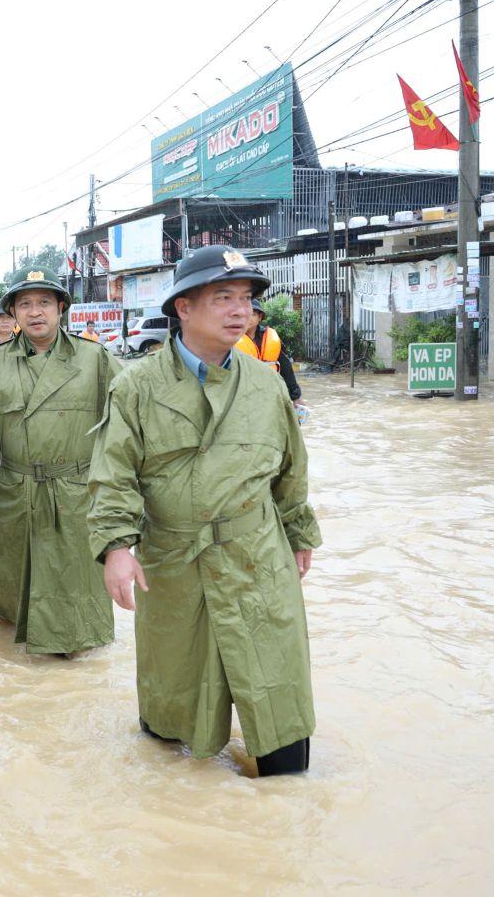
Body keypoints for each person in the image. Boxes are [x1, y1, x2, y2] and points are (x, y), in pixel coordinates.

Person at [88, 245, 320, 777]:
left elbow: (290, 469)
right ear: (183, 308)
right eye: (223, 298)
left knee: (282, 727)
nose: (240, 310)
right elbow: (113, 475)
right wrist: (117, 549)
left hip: (258, 557)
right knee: (172, 735)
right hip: (174, 562)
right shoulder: (136, 387)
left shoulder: (266, 383)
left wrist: (299, 532)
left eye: (245, 299)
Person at [0, 271, 119, 656]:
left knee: (74, 609)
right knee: (10, 602)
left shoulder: (94, 359)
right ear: (12, 313)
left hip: (74, 494)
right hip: (15, 492)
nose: (35, 312)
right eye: (25, 304)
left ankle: (70, 669)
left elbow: (133, 417)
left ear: (61, 309)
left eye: (44, 302)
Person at [236, 298, 304, 408]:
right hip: (243, 396)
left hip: (270, 392)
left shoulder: (270, 338)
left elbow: (285, 367)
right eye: (244, 314)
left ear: (260, 317)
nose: (247, 318)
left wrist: (296, 396)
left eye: (252, 314)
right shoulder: (230, 338)